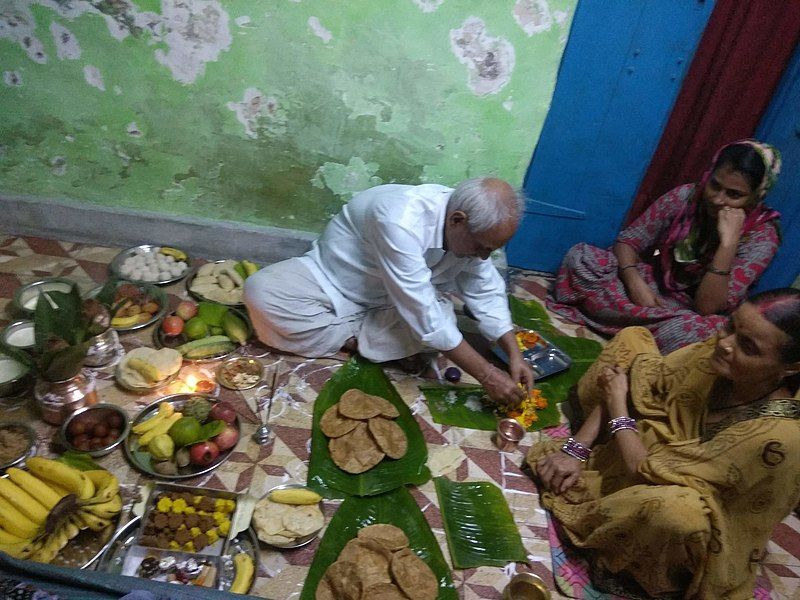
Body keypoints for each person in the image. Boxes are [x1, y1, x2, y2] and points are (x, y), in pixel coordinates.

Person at [528, 288, 800, 599]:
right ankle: (607, 446)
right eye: (730, 325)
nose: (725, 344)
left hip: (692, 510)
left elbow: (645, 470)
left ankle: (638, 568)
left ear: (792, 368)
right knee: (632, 341)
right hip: (646, 448)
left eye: (747, 347)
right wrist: (577, 448)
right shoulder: (718, 353)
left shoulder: (779, 439)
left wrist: (618, 409)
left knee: (674, 513)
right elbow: (636, 378)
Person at [244, 178, 534, 405]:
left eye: (491, 251)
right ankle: (359, 342)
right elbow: (423, 313)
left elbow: (485, 288)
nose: (484, 257)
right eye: (481, 248)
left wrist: (513, 352)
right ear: (456, 220)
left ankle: (364, 340)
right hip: (332, 283)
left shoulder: (474, 230)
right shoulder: (400, 217)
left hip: (393, 303)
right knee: (261, 292)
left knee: (441, 318)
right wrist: (487, 375)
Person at [547, 139, 782, 353]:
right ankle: (637, 332)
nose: (717, 199)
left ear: (756, 197)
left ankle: (624, 323)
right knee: (582, 257)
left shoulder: (762, 238)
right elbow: (628, 242)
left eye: (734, 194)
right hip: (650, 287)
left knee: (702, 336)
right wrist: (634, 283)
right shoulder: (686, 196)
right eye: (715, 185)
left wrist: (728, 244)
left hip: (686, 315)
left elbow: (707, 306)